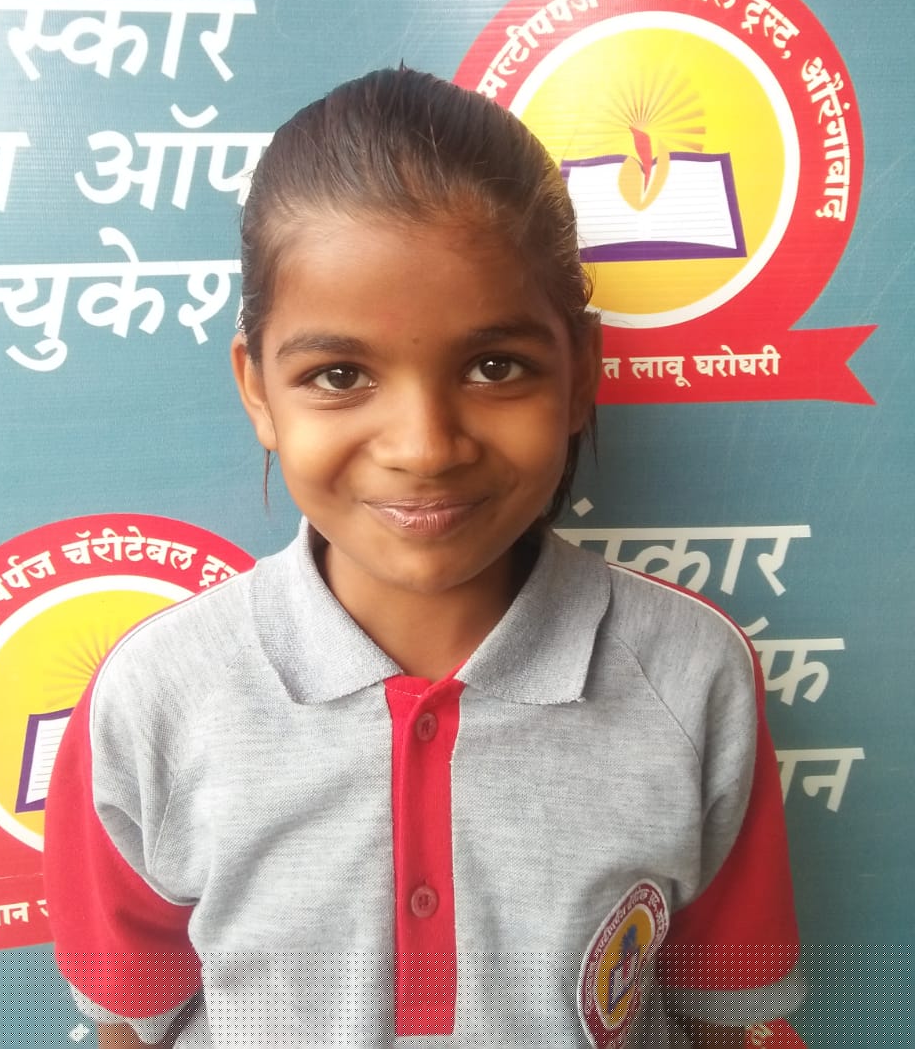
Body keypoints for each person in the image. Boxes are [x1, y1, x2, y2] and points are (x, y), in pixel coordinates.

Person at [44, 67, 803, 1048]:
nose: (425, 446)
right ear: (258, 388)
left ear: (582, 371)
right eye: (339, 375)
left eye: (494, 366)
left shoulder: (690, 675)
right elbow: (130, 1021)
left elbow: (726, 1014)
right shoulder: (155, 697)